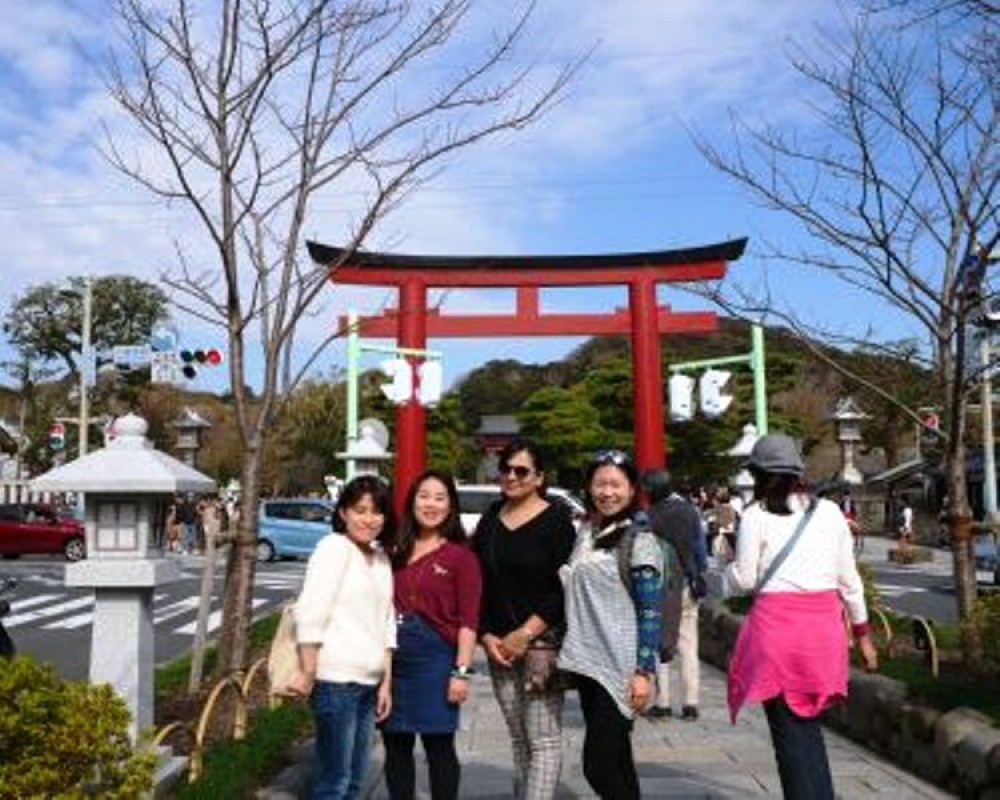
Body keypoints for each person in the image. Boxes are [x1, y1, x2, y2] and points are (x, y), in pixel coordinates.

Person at [725, 434, 878, 800]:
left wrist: (723, 571)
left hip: (776, 634)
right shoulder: (828, 513)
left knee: (788, 737)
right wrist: (864, 635)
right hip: (822, 633)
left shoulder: (756, 516)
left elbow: (744, 579)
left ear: (759, 474)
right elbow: (849, 581)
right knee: (808, 728)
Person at [472, 439, 576, 800]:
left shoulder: (557, 521)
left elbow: (564, 590)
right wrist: (486, 636)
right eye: (506, 469)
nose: (512, 477)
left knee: (543, 739)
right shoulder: (490, 518)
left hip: (541, 647)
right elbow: (477, 582)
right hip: (498, 647)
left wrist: (526, 633)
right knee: (518, 737)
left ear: (539, 477)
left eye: (521, 471)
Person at [557, 450, 664, 800]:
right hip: (588, 664)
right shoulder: (586, 532)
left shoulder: (639, 539)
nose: (607, 492)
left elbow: (651, 612)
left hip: (621, 668)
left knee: (597, 765)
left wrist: (643, 671)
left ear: (632, 490)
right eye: (600, 484)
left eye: (616, 484)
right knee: (617, 760)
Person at [289, 475, 396, 800]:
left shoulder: (380, 558)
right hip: (336, 681)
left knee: (355, 780)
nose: (368, 519)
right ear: (343, 513)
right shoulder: (333, 548)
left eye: (376, 511)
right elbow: (311, 612)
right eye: (360, 510)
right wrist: (308, 672)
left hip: (368, 683)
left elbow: (387, 621)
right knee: (334, 780)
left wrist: (386, 682)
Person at [381, 471, 482, 800]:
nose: (431, 504)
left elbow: (469, 621)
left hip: (436, 661)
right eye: (424, 496)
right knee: (395, 745)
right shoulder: (393, 550)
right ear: (412, 501)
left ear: (451, 505)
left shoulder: (461, 557)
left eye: (440, 497)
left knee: (439, 746)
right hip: (392, 659)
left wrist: (461, 673)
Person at [641, 470, 707, 722]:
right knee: (689, 644)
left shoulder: (649, 516)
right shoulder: (689, 511)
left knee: (661, 643)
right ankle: (691, 702)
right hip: (687, 584)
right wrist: (698, 573)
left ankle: (663, 702)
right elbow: (700, 549)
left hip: (660, 585)